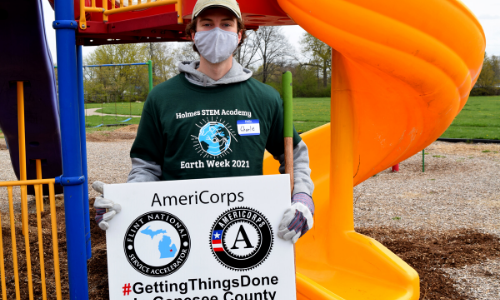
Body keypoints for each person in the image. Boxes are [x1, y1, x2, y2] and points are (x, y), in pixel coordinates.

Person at [93, 0, 314, 244]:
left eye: (226, 24)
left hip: (244, 232)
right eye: (207, 24)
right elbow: (146, 166)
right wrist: (126, 201)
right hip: (178, 230)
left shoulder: (265, 98)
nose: (217, 32)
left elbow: (294, 155)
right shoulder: (163, 97)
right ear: (193, 35)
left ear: (239, 35)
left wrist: (302, 198)